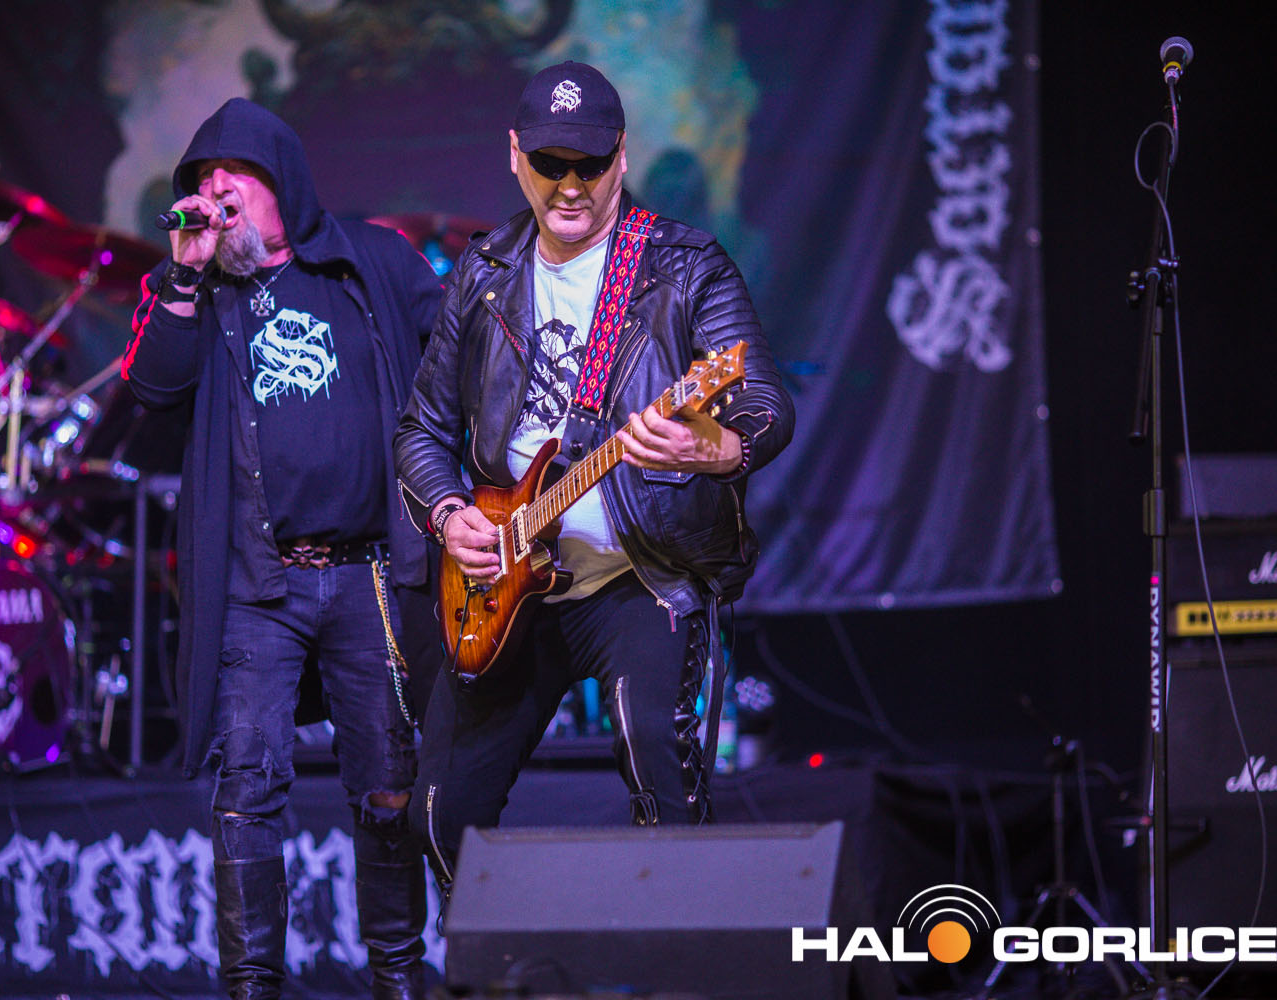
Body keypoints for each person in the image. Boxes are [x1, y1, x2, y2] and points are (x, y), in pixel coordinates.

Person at [393, 62, 793, 896]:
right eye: (550, 163)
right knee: (439, 812)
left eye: (591, 164)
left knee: (663, 788)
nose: (570, 186)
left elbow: (763, 402)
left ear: (622, 156)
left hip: (638, 576)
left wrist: (714, 448)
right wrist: (450, 513)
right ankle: (518, 960)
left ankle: (671, 953)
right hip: (506, 585)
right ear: (514, 155)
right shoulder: (483, 271)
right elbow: (421, 430)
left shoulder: (683, 265)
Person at [122, 97, 440, 1000]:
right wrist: (182, 276)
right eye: (203, 182)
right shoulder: (198, 292)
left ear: (283, 182)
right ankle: (253, 985)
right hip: (260, 584)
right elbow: (153, 387)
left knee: (388, 788)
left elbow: (458, 353)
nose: (215, 194)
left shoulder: (369, 261)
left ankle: (399, 978)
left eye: (235, 178)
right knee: (248, 788)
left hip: (370, 574)